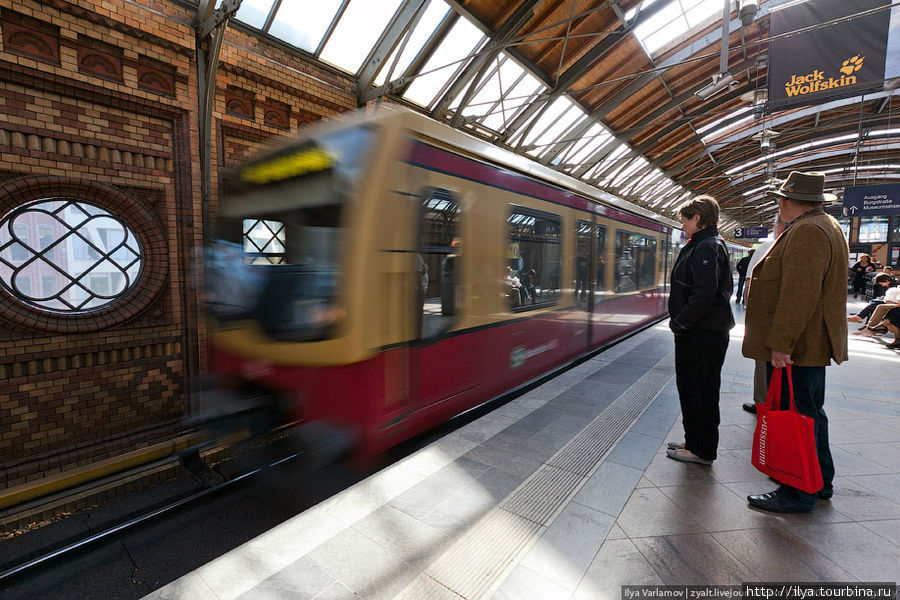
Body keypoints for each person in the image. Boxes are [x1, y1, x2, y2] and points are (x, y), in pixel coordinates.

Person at [742, 171, 848, 513]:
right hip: (809, 344)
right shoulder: (825, 225)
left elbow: (798, 295)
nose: (778, 206)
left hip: (800, 347)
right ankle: (819, 482)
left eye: (779, 201)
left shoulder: (807, 232)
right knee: (810, 414)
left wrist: (782, 344)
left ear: (787, 201)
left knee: (796, 416)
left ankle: (796, 490)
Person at [666, 195, 734, 466]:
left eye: (685, 220)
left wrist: (679, 323)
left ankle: (701, 449)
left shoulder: (707, 246)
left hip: (702, 332)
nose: (682, 225)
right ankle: (694, 439)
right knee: (693, 388)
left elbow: (704, 294)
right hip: (702, 331)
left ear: (698, 218)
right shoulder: (706, 243)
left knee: (699, 390)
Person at [741, 215, 786, 415]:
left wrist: (749, 311)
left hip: (767, 319)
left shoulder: (765, 248)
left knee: (763, 364)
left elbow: (751, 282)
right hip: (790, 319)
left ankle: (763, 404)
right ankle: (779, 405)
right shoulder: (798, 246)